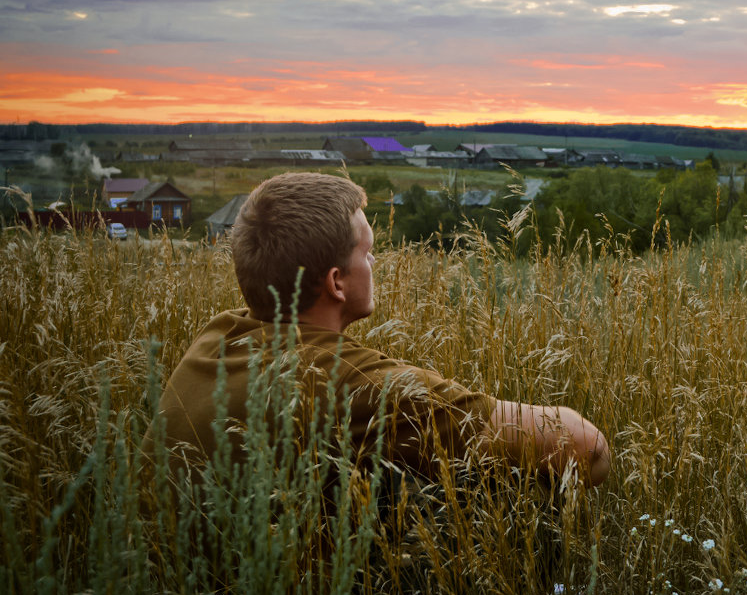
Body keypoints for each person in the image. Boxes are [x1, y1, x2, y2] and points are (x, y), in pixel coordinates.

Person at [147, 171, 610, 491]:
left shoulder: (217, 337)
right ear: (336, 282)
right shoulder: (349, 382)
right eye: (367, 253)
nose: (374, 262)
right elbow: (587, 448)